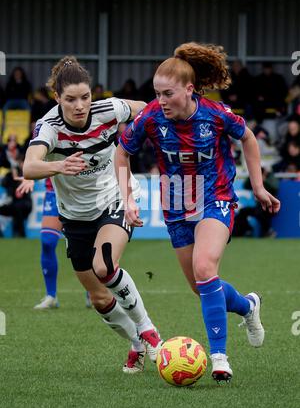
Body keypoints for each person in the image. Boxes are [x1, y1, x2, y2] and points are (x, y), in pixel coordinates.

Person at [115, 42, 281, 382]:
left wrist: (259, 186)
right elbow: (122, 152)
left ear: (190, 89)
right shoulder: (150, 116)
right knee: (202, 286)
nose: (161, 101)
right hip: (176, 207)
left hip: (215, 199)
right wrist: (127, 197)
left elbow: (248, 138)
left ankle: (219, 357)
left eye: (168, 94)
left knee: (205, 268)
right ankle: (248, 306)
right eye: (157, 93)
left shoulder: (216, 115)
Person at [23, 55, 162, 373]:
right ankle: (136, 343)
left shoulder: (109, 109)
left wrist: (149, 134)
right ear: (57, 98)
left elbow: (147, 107)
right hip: (74, 216)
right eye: (70, 99)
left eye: (85, 97)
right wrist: (58, 164)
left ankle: (150, 333)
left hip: (115, 199)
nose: (79, 105)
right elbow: (29, 166)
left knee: (105, 265)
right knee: (99, 298)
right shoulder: (49, 127)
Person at [16, 177, 92, 309]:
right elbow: (37, 157)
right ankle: (51, 295)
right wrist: (31, 176)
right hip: (55, 191)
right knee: (47, 241)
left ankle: (93, 293)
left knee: (89, 243)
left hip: (84, 190)